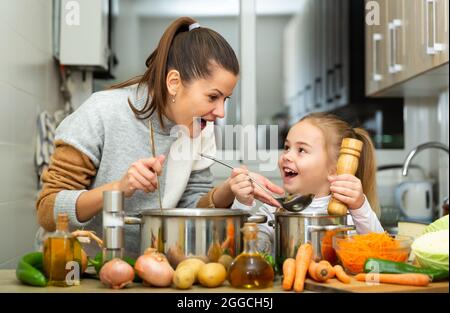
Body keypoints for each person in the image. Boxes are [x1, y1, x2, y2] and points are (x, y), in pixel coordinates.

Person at [35, 17, 282, 257]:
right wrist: (119, 189)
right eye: (212, 97)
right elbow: (47, 210)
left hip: (151, 271)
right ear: (174, 82)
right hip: (82, 270)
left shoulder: (201, 129)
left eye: (225, 99)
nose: (220, 112)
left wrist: (229, 189)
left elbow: (190, 208)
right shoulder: (102, 111)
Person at [230, 112, 384, 253]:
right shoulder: (274, 210)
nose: (287, 156)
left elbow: (380, 252)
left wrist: (360, 207)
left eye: (301, 150)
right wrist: (242, 203)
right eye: (286, 147)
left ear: (334, 169)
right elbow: (240, 251)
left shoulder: (349, 216)